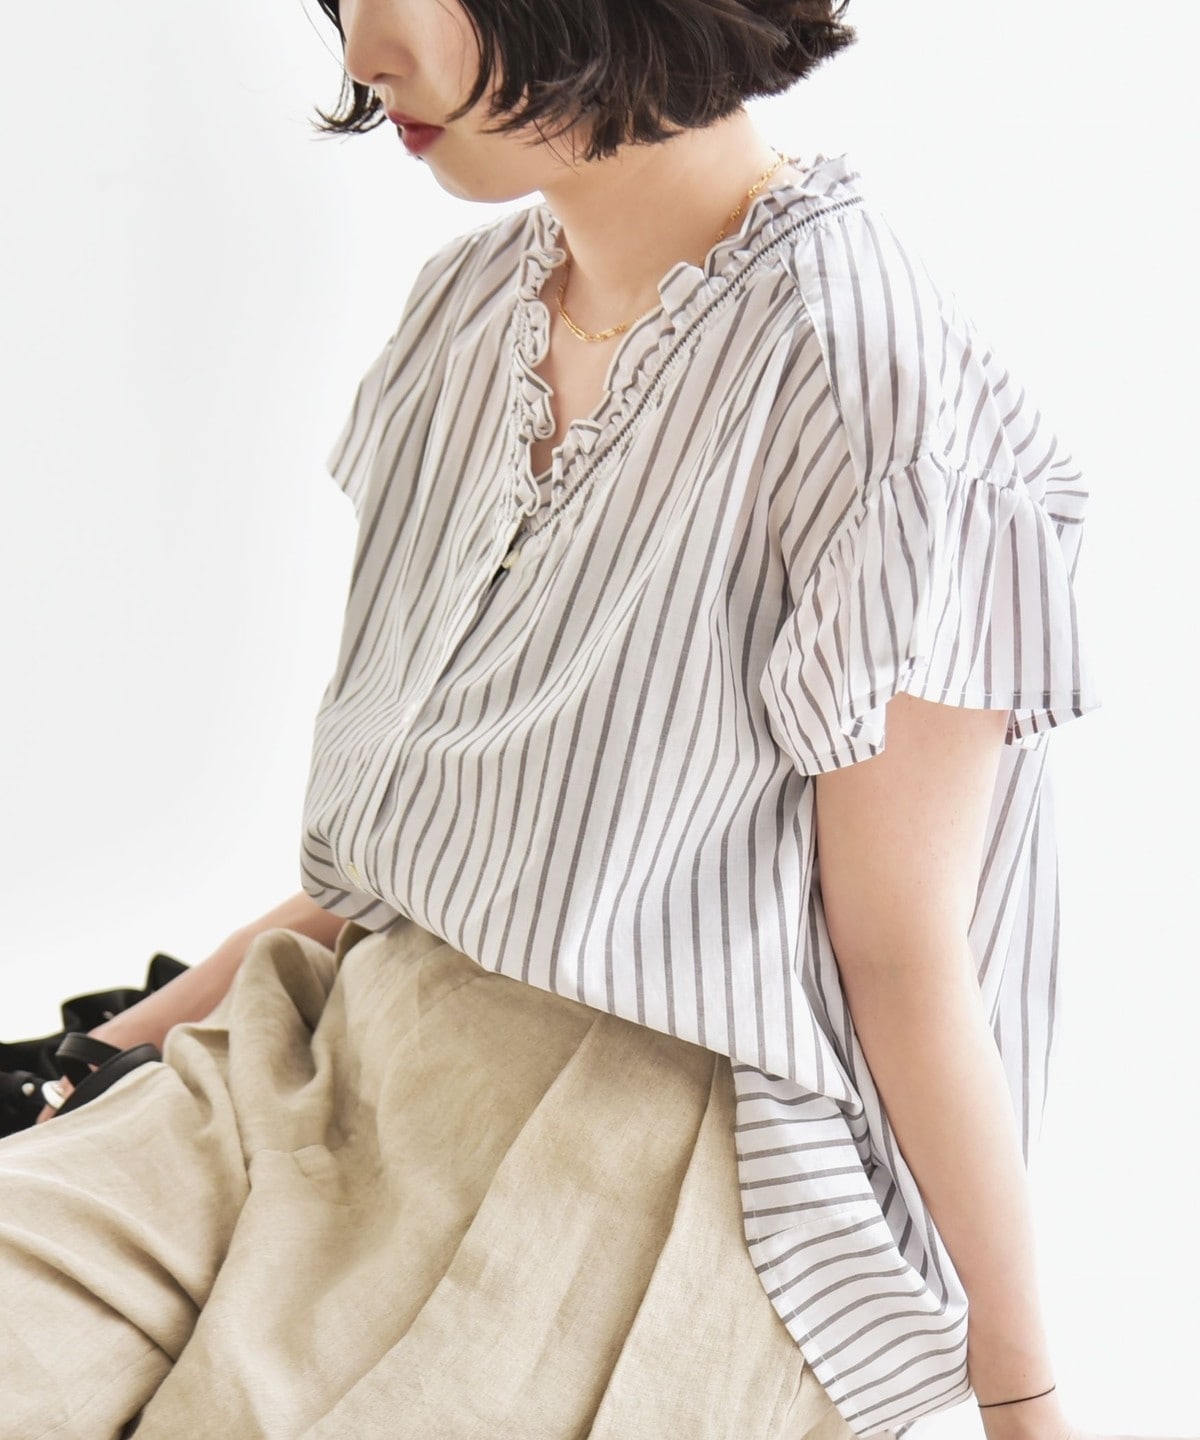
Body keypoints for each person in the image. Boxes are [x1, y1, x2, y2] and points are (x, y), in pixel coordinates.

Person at [0, 2, 1177, 1438]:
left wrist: (1023, 1395)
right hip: (337, 1054)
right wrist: (110, 1053)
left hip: (657, 1162)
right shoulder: (470, 311)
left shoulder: (869, 383)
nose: (362, 51)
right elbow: (398, 876)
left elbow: (905, 958)